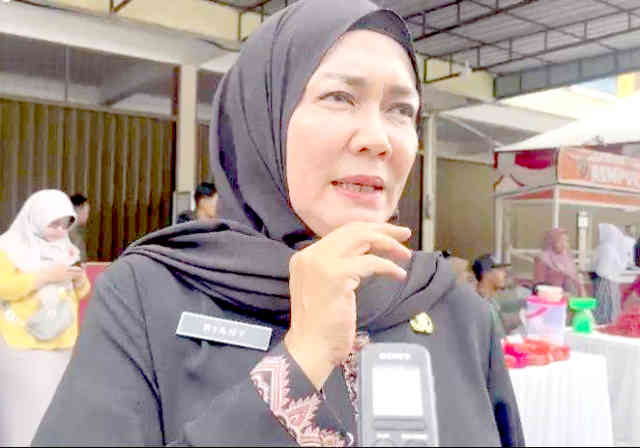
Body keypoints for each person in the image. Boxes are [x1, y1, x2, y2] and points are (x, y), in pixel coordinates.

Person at [34, 1, 523, 446]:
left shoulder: (456, 310)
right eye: (340, 97)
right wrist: (299, 365)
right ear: (262, 115)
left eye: (401, 110)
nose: (378, 139)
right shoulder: (149, 296)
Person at [0, 190, 90, 446]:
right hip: (22, 345)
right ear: (36, 219)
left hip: (61, 341)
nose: (60, 231)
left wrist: (78, 280)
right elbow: (4, 288)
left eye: (65, 224)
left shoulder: (67, 250)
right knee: (25, 415)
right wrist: (46, 277)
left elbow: (82, 292)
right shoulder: (8, 249)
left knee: (55, 412)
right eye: (54, 224)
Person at [472, 254, 526, 336]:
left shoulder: (490, 300)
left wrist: (527, 304)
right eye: (500, 270)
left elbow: (501, 321)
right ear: (486, 274)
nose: (505, 274)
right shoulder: (480, 306)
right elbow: (496, 335)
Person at [591, 223, 628, 324]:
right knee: (611, 309)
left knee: (603, 309)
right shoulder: (611, 248)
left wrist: (592, 271)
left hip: (603, 283)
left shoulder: (606, 248)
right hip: (611, 284)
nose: (598, 236)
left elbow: (601, 270)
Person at [534, 228, 585, 297]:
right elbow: (538, 286)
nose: (564, 244)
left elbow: (576, 281)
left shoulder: (567, 258)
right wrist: (560, 294)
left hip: (570, 297)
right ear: (552, 242)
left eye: (566, 241)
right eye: (560, 241)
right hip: (550, 298)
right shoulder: (542, 259)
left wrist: (581, 292)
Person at [69, 193, 90, 262]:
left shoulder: (74, 233)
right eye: (87, 212)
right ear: (78, 209)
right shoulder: (72, 236)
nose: (87, 216)